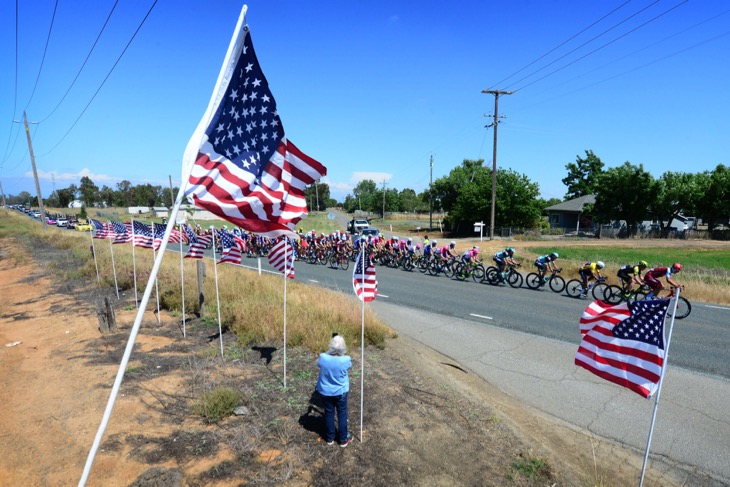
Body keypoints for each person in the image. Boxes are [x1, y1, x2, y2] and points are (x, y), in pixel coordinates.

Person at [315, 335, 353, 447]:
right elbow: (349, 366)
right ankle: (342, 440)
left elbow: (319, 364)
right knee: (342, 413)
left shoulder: (323, 357)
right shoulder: (346, 360)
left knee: (329, 412)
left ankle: (330, 438)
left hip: (325, 391)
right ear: (343, 348)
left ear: (330, 346)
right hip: (341, 391)